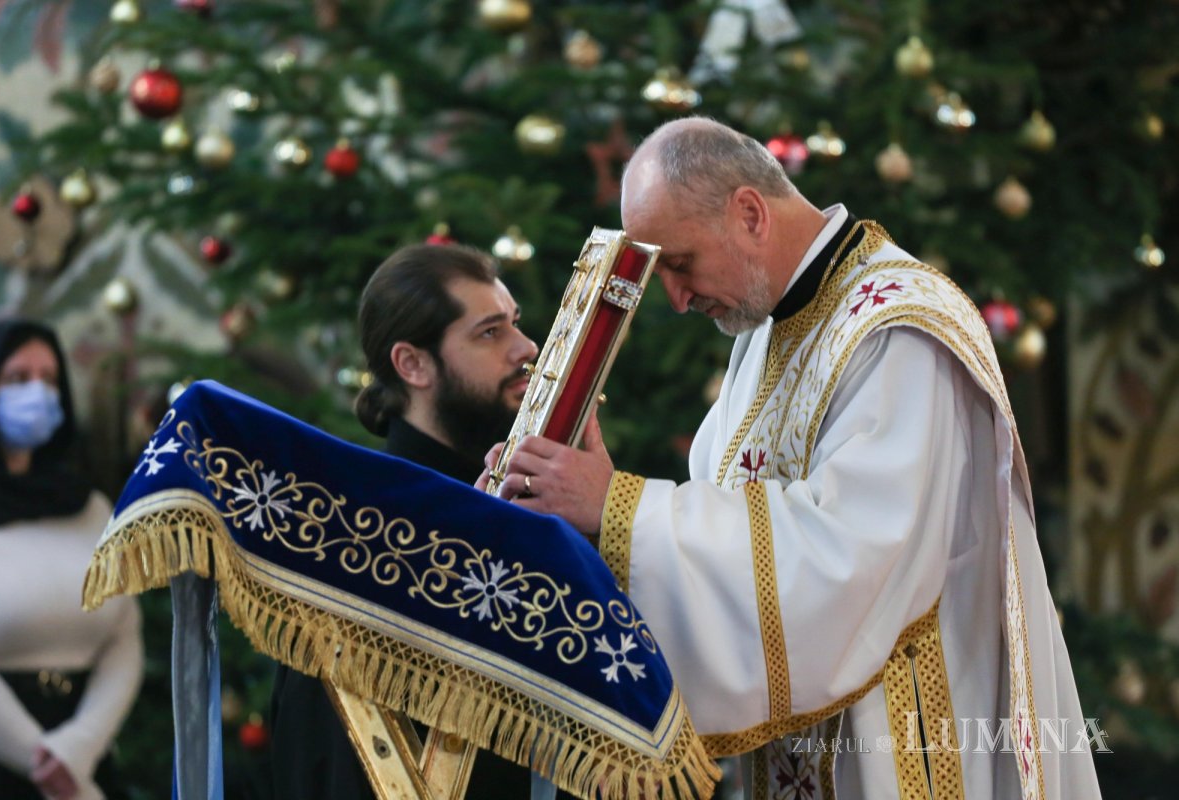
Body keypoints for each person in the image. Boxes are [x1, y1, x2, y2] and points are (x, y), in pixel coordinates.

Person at [485, 118, 1102, 798]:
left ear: (749, 213)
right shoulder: (770, 329)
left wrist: (620, 507)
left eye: (681, 264)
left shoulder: (896, 329)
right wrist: (587, 512)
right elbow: (720, 520)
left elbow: (846, 561)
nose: (678, 298)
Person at [269, 243, 579, 800]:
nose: (526, 348)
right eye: (489, 332)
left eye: (515, 323)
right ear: (412, 364)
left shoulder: (530, 502)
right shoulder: (364, 537)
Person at [0, 318, 143, 800]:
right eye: (17, 379)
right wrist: (41, 760)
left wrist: (80, 747)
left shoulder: (88, 506)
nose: (38, 393)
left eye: (49, 379)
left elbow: (124, 635)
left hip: (84, 761)